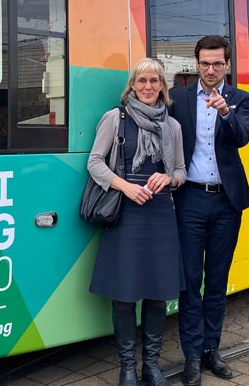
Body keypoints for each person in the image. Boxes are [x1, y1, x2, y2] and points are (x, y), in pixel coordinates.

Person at [87, 58, 187, 386]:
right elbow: (95, 162)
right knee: (125, 294)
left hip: (160, 213)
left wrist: (169, 178)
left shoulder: (173, 126)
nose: (148, 86)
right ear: (132, 85)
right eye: (142, 80)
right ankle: (127, 367)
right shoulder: (115, 118)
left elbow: (181, 171)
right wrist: (125, 186)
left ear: (162, 87)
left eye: (154, 81)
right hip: (126, 212)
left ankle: (152, 366)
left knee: (158, 294)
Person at [168, 35, 249, 385]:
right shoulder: (178, 97)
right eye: (205, 63)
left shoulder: (240, 98)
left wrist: (225, 113)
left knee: (217, 280)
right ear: (197, 63)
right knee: (190, 281)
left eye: (218, 63)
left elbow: (242, 138)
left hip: (226, 201)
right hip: (189, 199)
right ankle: (191, 355)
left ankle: (210, 350)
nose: (211, 69)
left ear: (227, 65)